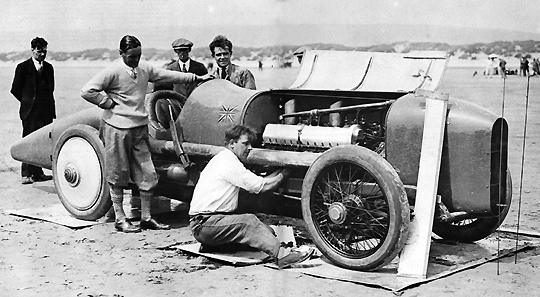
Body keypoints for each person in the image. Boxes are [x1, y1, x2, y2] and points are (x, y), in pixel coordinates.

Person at [81, 35, 213, 233]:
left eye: (139, 55)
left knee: (148, 173)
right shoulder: (113, 71)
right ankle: (120, 218)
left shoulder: (144, 68)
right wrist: (107, 103)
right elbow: (87, 90)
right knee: (117, 173)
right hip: (117, 129)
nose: (136, 60)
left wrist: (196, 78)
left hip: (139, 128)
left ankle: (146, 217)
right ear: (122, 54)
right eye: (132, 56)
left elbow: (168, 75)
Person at [188, 125, 314, 269]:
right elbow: (262, 187)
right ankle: (282, 256)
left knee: (268, 232)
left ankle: (214, 246)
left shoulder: (225, 158)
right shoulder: (228, 162)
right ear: (232, 144)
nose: (249, 148)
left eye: (250, 144)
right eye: (245, 143)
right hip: (204, 224)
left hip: (212, 222)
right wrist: (285, 173)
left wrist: (280, 171)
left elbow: (260, 181)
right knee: (248, 222)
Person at [10, 37, 55, 185]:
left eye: (44, 51)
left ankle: (38, 173)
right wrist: (27, 102)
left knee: (42, 141)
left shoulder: (49, 68)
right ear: (32, 50)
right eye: (39, 51)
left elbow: (50, 89)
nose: (42, 54)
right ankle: (26, 174)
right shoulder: (22, 67)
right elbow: (15, 89)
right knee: (28, 140)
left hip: (45, 112)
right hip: (30, 112)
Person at [154, 38, 208, 128]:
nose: (182, 53)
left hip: (197, 108)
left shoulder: (200, 67)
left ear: (189, 50)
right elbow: (167, 91)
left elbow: (205, 88)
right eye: (179, 51)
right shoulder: (170, 69)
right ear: (176, 51)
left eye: (184, 50)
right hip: (177, 110)